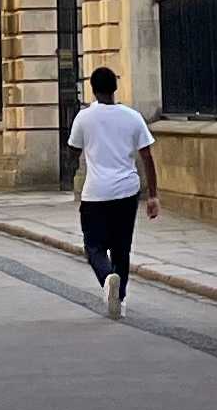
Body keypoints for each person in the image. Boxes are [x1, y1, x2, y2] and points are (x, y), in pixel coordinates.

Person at [65, 65, 157, 317]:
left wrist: (76, 158)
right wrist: (153, 196)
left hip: (95, 193)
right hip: (127, 191)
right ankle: (121, 299)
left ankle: (107, 278)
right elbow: (147, 157)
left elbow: (72, 151)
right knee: (121, 248)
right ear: (115, 87)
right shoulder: (133, 117)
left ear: (92, 89)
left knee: (94, 246)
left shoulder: (84, 118)